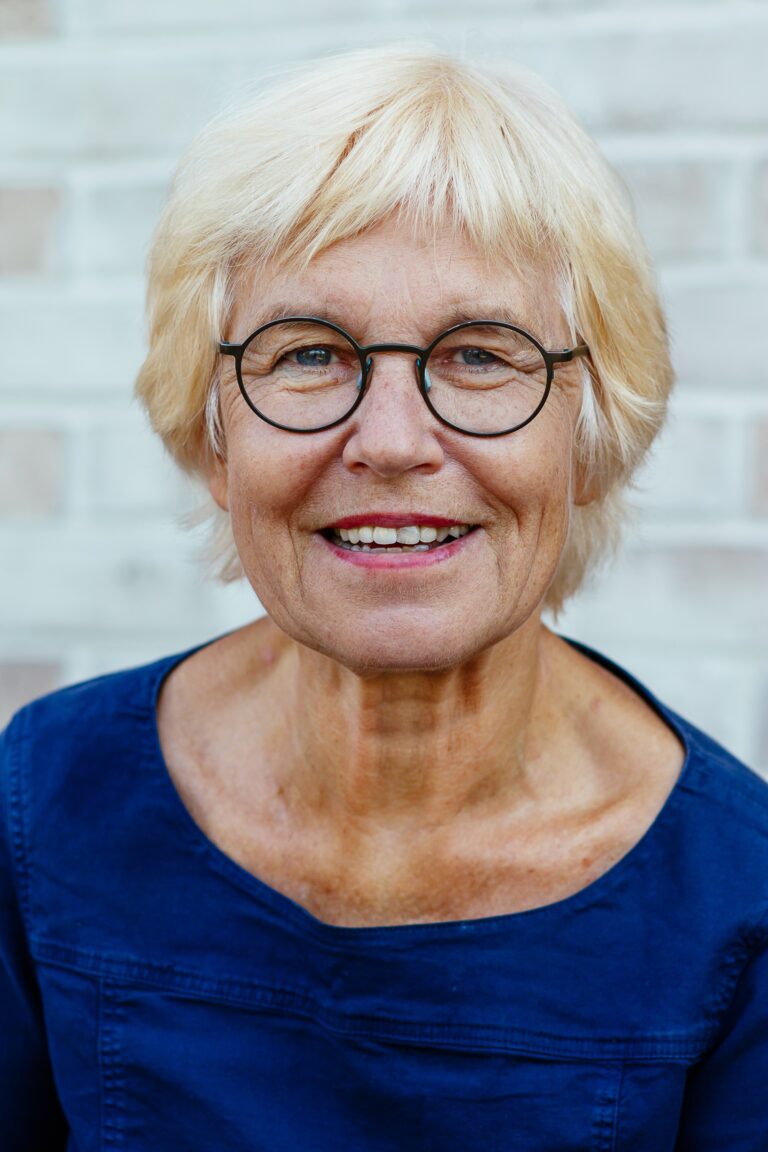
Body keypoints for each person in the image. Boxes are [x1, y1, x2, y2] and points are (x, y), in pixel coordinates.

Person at [2, 46, 767, 1151]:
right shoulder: (46, 802)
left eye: (480, 356)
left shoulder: (737, 906)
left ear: (591, 438)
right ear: (214, 440)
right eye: (310, 354)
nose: (395, 441)